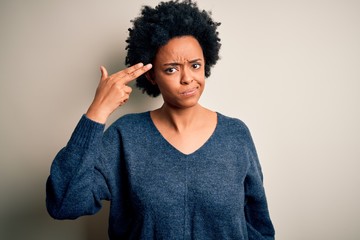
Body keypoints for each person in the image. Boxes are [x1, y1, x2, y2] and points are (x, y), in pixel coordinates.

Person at [46, 0, 275, 239]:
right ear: (152, 76)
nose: (187, 78)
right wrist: (97, 112)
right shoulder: (125, 136)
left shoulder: (235, 134)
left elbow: (258, 227)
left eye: (195, 65)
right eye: (171, 69)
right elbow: (64, 203)